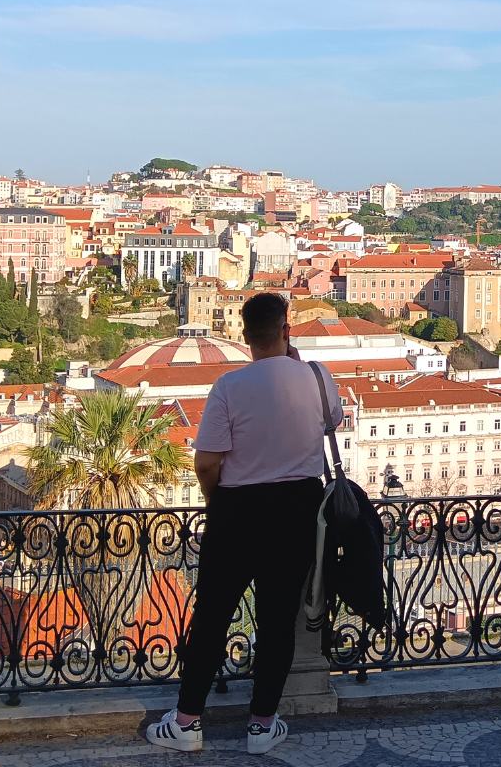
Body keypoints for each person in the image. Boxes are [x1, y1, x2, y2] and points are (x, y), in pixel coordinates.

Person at [145, 292, 342, 756]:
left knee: (212, 617)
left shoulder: (230, 387)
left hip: (238, 510)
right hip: (298, 509)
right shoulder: (318, 378)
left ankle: (188, 721)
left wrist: (218, 504)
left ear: (244, 337)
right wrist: (297, 364)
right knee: (277, 622)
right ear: (286, 329)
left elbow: (207, 463)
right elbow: (330, 422)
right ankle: (261, 725)